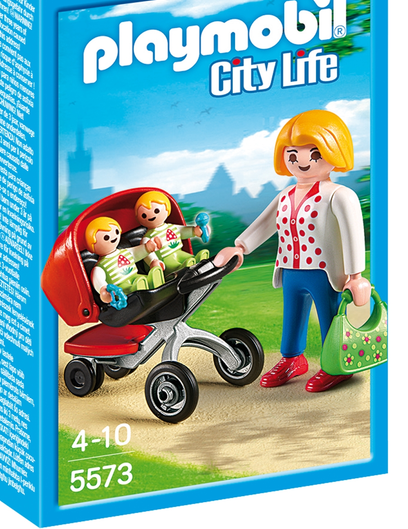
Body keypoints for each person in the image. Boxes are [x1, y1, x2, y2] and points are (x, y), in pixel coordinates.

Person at [213, 110, 371, 392]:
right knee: (293, 316)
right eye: (293, 154)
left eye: (314, 153)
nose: (303, 161)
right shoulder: (284, 195)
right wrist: (240, 247)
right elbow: (264, 224)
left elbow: (353, 234)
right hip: (290, 269)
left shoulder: (338, 195)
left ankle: (335, 364)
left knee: (331, 318)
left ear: (335, 151)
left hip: (324, 271)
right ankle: (293, 359)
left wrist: (356, 275)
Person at [85, 216, 165, 304]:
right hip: (121, 288)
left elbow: (136, 253)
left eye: (116, 232)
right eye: (106, 237)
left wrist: (147, 248)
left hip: (137, 277)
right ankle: (141, 294)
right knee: (136, 284)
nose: (113, 237)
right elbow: (98, 279)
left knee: (143, 279)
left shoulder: (125, 252)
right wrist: (103, 290)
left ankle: (156, 281)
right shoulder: (100, 267)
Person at [134, 190, 210, 272]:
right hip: (164, 260)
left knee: (189, 258)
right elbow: (146, 252)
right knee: (175, 265)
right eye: (144, 215)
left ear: (167, 209)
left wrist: (195, 231)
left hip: (178, 252)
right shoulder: (147, 238)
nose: (151, 216)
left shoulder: (171, 227)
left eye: (156, 211)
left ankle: (199, 261)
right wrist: (153, 261)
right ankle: (183, 269)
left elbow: (182, 231)